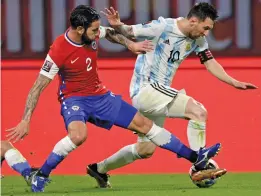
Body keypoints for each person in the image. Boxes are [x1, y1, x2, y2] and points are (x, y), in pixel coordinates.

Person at [6, 5, 222, 193]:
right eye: (93, 30)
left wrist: (131, 45)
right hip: (74, 99)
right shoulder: (59, 49)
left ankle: (196, 159)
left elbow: (109, 33)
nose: (97, 32)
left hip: (100, 96)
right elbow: (37, 87)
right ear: (80, 30)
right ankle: (41, 174)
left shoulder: (90, 32)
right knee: (79, 136)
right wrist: (26, 119)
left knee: (145, 125)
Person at [86, 2, 257, 188]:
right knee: (198, 112)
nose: (206, 33)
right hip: (146, 89)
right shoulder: (163, 27)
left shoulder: (198, 39)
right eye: (205, 28)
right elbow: (130, 32)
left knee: (145, 149)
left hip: (157, 96)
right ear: (193, 21)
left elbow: (210, 62)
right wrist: (118, 25)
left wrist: (233, 82)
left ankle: (99, 169)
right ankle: (200, 163)